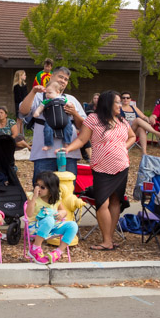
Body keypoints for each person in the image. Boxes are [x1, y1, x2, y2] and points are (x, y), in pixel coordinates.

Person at [65, 90, 135, 251]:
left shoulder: (122, 121)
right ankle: (106, 240)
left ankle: (109, 240)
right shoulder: (93, 119)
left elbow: (132, 136)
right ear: (108, 103)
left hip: (122, 166)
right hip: (101, 167)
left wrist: (122, 147)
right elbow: (82, 139)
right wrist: (68, 149)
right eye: (117, 102)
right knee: (102, 201)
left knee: (116, 201)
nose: (121, 105)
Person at [18, 66, 86, 183]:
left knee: (67, 190)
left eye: (66, 79)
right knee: (43, 190)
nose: (63, 81)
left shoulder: (71, 99)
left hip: (68, 154)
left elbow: (82, 126)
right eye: (60, 76)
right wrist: (33, 91)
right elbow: (23, 111)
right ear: (51, 76)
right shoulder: (39, 96)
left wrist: (75, 113)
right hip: (44, 154)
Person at [25, 171, 78, 263]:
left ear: (51, 189)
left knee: (73, 225)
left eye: (42, 187)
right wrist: (34, 197)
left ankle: (58, 252)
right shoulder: (33, 197)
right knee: (49, 220)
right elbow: (28, 214)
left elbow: (64, 211)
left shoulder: (56, 198)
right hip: (35, 227)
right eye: (37, 185)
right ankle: (35, 248)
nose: (38, 189)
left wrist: (62, 213)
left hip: (52, 227)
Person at [31, 82, 75, 152]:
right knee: (47, 130)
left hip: (65, 120)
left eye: (50, 93)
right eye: (46, 93)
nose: (47, 95)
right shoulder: (46, 101)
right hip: (50, 121)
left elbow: (69, 104)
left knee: (68, 129)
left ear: (57, 92)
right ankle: (48, 144)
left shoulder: (63, 98)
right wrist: (37, 112)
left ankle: (67, 142)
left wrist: (70, 105)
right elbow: (40, 107)